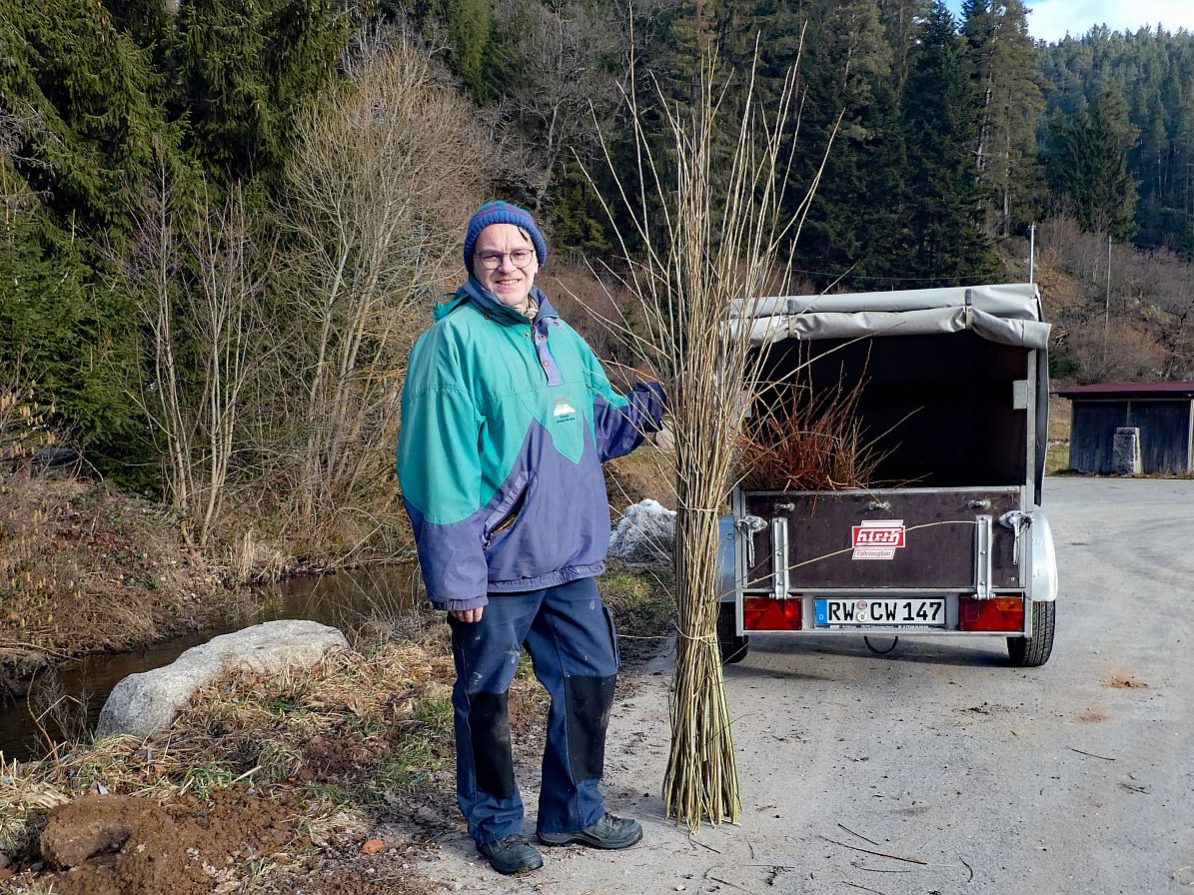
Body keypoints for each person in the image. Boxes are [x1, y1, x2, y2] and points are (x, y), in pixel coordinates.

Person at [396, 201, 666, 875]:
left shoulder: (562, 337)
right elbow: (439, 465)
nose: (507, 264)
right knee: (486, 697)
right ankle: (495, 822)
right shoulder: (451, 342)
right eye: (492, 254)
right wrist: (457, 576)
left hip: (571, 558)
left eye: (519, 252)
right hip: (496, 565)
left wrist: (651, 401)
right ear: (473, 264)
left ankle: (571, 811)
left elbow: (599, 429)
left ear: (537, 259)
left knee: (591, 680)